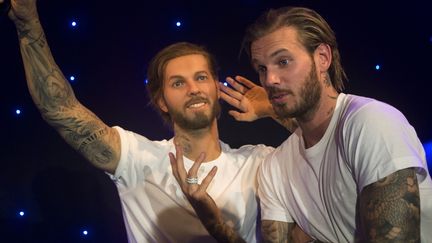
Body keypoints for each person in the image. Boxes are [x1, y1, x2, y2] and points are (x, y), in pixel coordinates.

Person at [5, 0, 311, 242]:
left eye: (201, 78)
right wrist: (28, 26)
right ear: (162, 100)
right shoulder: (138, 158)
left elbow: (327, 147)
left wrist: (274, 110)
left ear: (216, 89)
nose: (193, 88)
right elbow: (60, 108)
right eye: (178, 83)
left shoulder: (257, 161)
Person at [237, 6, 432, 242]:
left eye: (284, 61)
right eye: (262, 68)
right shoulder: (274, 167)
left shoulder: (371, 122)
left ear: (322, 58)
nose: (270, 79)